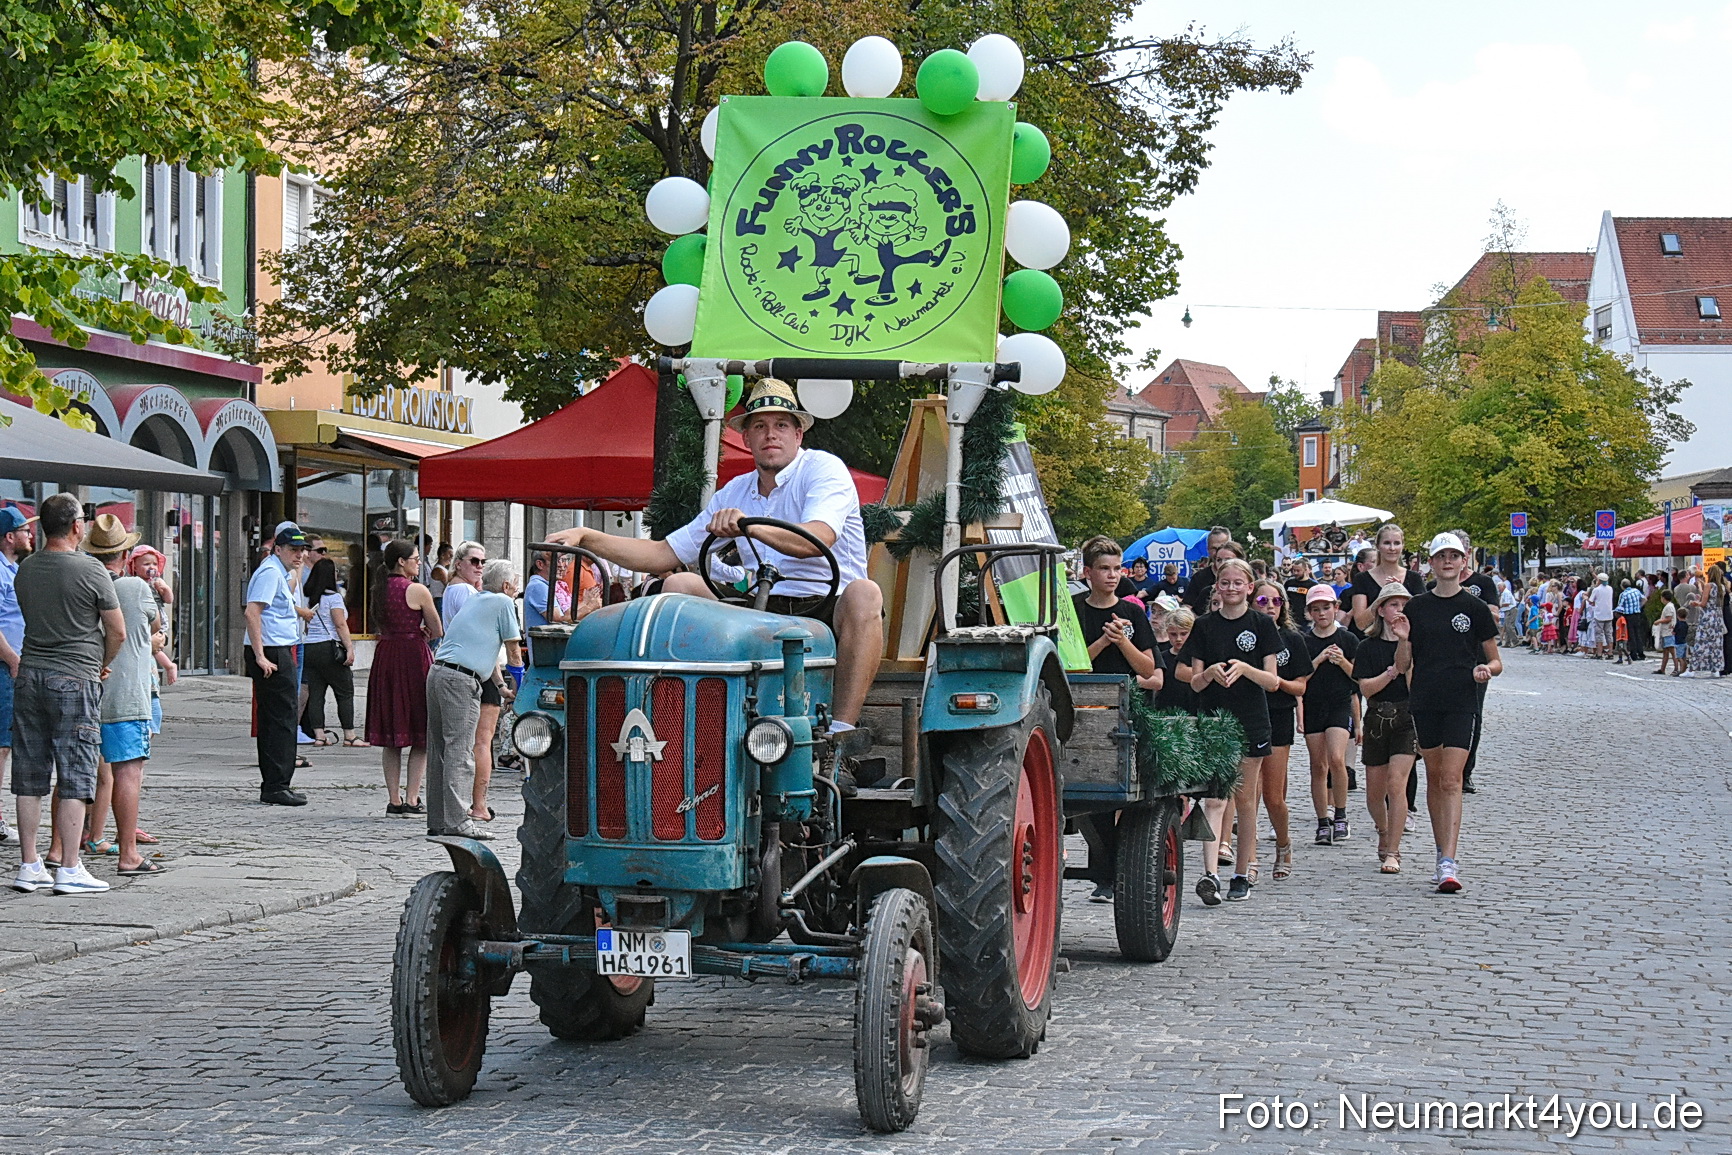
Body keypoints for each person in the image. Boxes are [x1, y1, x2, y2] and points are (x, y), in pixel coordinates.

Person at [546, 378, 882, 758]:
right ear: (747, 438)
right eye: (759, 426)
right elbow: (661, 553)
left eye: (781, 425)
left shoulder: (823, 470)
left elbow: (814, 540)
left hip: (827, 605)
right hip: (762, 611)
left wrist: (749, 525)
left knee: (865, 593)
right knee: (682, 583)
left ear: (798, 432)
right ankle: (680, 720)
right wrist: (588, 537)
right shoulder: (736, 491)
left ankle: (839, 738)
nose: (770, 434)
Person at [8, 493, 124, 895]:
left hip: (30, 673)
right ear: (76, 526)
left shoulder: (26, 568)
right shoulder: (91, 569)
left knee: (29, 773)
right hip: (75, 675)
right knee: (76, 772)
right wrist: (102, 662)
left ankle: (29, 864)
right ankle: (70, 867)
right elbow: (117, 630)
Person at [1394, 533, 1500, 894]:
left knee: (1453, 780)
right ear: (1432, 563)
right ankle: (1440, 849)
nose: (1448, 562)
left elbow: (1495, 659)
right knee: (1436, 777)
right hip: (1425, 698)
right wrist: (1403, 638)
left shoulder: (1475, 608)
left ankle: (1448, 862)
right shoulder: (1417, 607)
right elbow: (1403, 664)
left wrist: (1486, 671)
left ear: (1464, 560)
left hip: (1462, 699)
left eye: (1455, 556)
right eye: (1442, 557)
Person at [1175, 557, 1282, 905]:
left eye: (1239, 583)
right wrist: (1210, 675)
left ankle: (1242, 871)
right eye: (1225, 583)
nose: (1232, 588)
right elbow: (1193, 679)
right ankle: (1210, 874)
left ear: (1250, 587)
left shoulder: (1262, 626)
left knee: (1246, 799)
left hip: (1251, 718)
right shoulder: (1204, 625)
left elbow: (1273, 681)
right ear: (1217, 587)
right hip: (1214, 722)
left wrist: (1244, 669)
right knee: (1213, 796)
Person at [1070, 536, 1159, 903]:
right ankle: (1104, 873)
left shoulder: (1133, 612)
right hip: (1085, 711)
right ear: (1088, 573)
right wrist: (1103, 643)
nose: (1112, 576)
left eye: (1117, 569)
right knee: (1092, 796)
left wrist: (1122, 642)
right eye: (1104, 569)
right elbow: (1070, 665)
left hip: (1126, 710)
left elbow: (1151, 668)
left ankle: (1120, 869)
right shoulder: (1074, 609)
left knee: (1125, 795)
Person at [82, 515, 163, 878]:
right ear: (125, 552)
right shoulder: (135, 588)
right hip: (126, 690)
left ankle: (59, 849)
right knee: (128, 771)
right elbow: (155, 626)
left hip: (84, 689)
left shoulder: (80, 583)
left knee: (77, 771)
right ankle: (128, 852)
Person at [425, 559, 524, 839]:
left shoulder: (477, 599)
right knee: (461, 752)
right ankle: (459, 822)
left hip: (438, 672)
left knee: (440, 752)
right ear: (506, 586)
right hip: (460, 681)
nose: (517, 589)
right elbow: (513, 651)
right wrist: (522, 684)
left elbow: (485, 648)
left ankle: (439, 820)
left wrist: (501, 686)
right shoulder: (504, 603)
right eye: (515, 583)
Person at [368, 539, 442, 816]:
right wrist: (422, 632)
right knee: (419, 731)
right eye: (415, 558)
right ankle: (412, 798)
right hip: (412, 656)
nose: (418, 562)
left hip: (386, 656)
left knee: (391, 733)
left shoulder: (379, 589)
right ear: (401, 561)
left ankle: (393, 799)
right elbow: (437, 628)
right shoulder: (417, 590)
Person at [243, 523, 310, 806]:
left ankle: (278, 781)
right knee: (281, 718)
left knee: (280, 717)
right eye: (293, 550)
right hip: (272, 650)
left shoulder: (278, 572)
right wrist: (260, 655)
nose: (299, 556)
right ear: (278, 549)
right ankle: (276, 784)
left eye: (302, 550)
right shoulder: (270, 573)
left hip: (278, 647)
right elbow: (252, 612)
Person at [1354, 583, 1418, 874]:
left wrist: (1405, 644)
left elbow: (1412, 685)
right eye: (1393, 605)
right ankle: (1383, 829)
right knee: (1374, 794)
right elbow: (1367, 688)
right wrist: (1392, 670)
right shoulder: (1367, 646)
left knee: (1396, 783)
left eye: (1404, 605)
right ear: (1381, 610)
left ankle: (1394, 850)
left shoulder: (1415, 644)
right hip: (1377, 717)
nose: (1399, 611)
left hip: (1407, 717)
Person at [1253, 579, 1311, 882]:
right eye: (1262, 602)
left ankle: (1283, 843)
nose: (1270, 607)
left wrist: (1277, 683)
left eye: (1275, 602)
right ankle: (1247, 859)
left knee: (1273, 795)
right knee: (1246, 792)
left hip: (1278, 714)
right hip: (1247, 712)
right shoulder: (1246, 636)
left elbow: (1301, 685)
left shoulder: (1292, 638)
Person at [1301, 584, 1358, 846]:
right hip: (1314, 705)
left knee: (1337, 758)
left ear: (1336, 608)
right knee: (1318, 765)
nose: (1322, 613)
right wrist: (1319, 659)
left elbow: (1358, 678)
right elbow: (1300, 678)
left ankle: (1341, 815)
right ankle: (1322, 820)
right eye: (1316, 609)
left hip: (1339, 703)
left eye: (1326, 608)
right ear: (1309, 612)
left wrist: (1342, 661)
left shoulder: (1348, 640)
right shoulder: (1305, 640)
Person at [300, 557, 363, 747]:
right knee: (344, 691)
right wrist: (350, 648)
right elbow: (340, 624)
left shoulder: (306, 598)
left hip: (309, 647)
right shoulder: (333, 598)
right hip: (329, 647)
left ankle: (319, 735)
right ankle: (350, 735)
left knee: (316, 692)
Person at [0, 504, 34, 844]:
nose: (30, 535)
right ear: (10, 537)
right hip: (4, 664)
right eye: (25, 531)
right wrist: (11, 658)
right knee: (0, 743)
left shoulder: (12, 569)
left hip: (10, 662)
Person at [1350, 523, 1424, 632]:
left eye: (1397, 543)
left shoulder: (1414, 578)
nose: (1392, 548)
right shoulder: (1362, 579)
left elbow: (1422, 615)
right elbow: (1361, 623)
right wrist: (1384, 596)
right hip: (1374, 642)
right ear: (1378, 546)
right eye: (1387, 543)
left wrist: (1402, 592)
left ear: (1403, 546)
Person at [1684, 565, 1727, 677]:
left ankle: (1692, 669)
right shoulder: (1722, 587)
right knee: (1716, 644)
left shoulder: (1709, 585)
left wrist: (1695, 603)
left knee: (1701, 642)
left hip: (1707, 617)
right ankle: (1715, 669)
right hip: (1717, 617)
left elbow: (1703, 603)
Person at [1179, 526, 1233, 614]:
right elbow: (1187, 607)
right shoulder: (1199, 578)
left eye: (1222, 547)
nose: (1218, 553)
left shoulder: (1246, 575)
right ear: (1208, 549)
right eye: (1214, 549)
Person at [440, 540, 486, 627]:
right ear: (458, 564)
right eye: (474, 561)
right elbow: (477, 626)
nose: (480, 566)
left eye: (483, 562)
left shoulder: (454, 586)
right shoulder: (465, 589)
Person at [1616, 577, 1646, 665]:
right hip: (1637, 614)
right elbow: (1644, 599)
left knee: (1631, 635)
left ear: (1622, 586)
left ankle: (1633, 654)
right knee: (1638, 634)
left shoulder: (1623, 594)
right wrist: (1639, 607)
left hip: (1628, 615)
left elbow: (1620, 606)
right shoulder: (1636, 591)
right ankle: (1641, 653)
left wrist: (1616, 614)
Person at [1588, 573, 1615, 660]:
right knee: (1609, 634)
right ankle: (1610, 652)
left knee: (1599, 634)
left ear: (1598, 580)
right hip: (1608, 614)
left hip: (1599, 614)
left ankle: (1599, 653)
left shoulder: (1596, 590)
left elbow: (1591, 601)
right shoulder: (1610, 589)